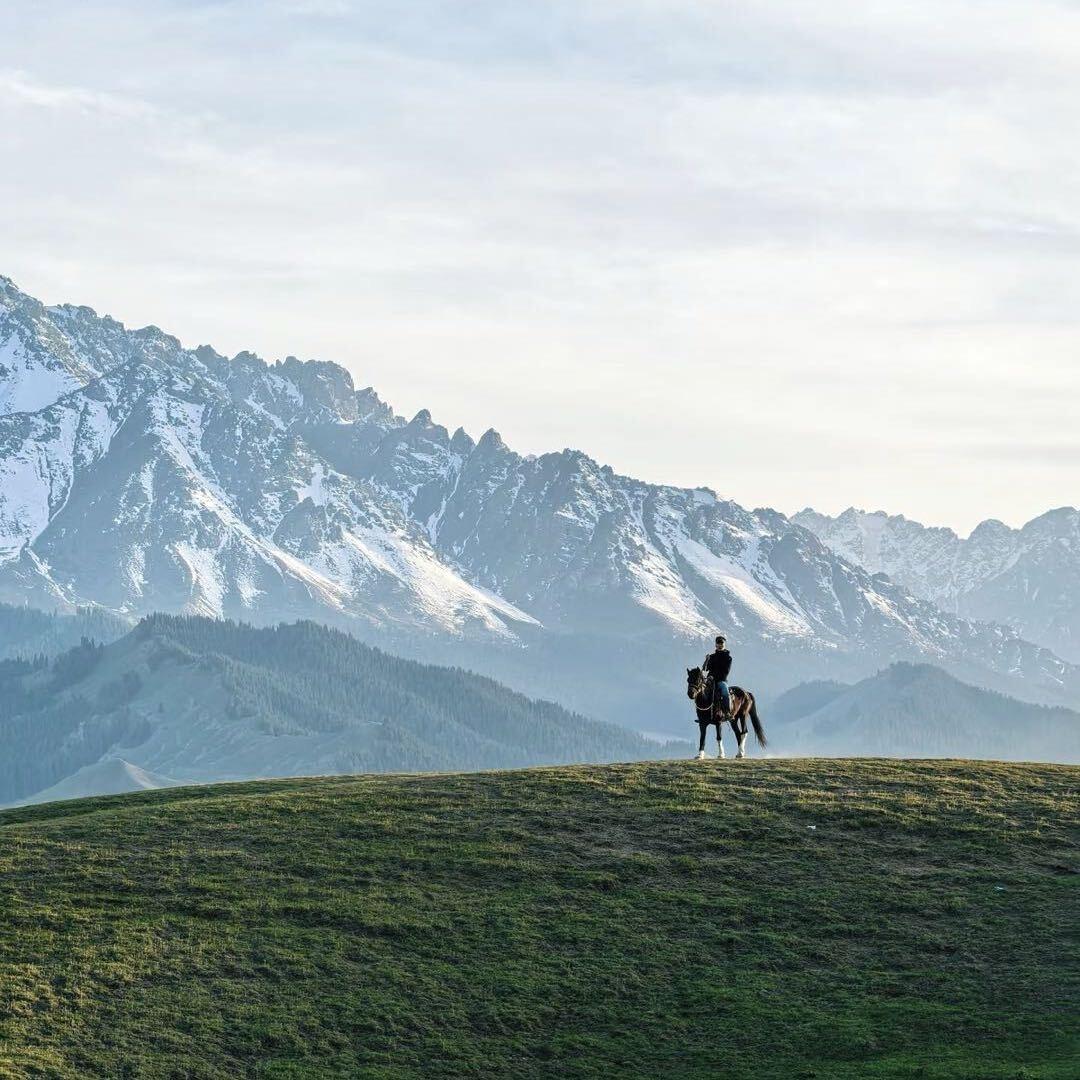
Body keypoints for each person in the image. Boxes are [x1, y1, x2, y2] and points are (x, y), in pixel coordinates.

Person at [703, 635, 732, 719]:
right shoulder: (711, 657)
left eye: (721, 643)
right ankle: (702, 712)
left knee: (725, 691)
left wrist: (714, 678)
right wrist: (706, 660)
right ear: (715, 645)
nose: (720, 645)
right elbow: (705, 669)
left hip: (721, 680)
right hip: (710, 680)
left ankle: (727, 712)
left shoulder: (728, 658)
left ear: (724, 644)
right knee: (701, 691)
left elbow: (726, 671)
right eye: (718, 643)